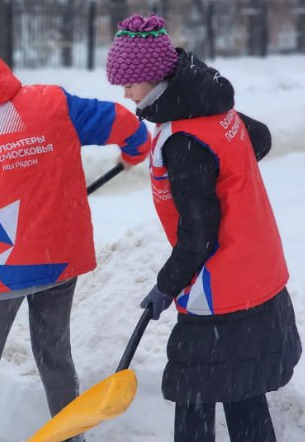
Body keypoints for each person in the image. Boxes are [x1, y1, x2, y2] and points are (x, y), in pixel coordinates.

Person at [0, 34, 151, 442]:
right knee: (54, 356)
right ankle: (72, 438)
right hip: (60, 257)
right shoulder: (52, 102)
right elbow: (126, 123)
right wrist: (136, 149)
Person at [106, 13, 301, 442]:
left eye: (129, 82)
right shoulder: (211, 108)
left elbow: (200, 235)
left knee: (194, 395)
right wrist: (229, 177)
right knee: (240, 388)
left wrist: (166, 285)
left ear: (154, 78)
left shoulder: (184, 140)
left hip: (222, 288)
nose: (124, 92)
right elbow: (261, 138)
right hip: (259, 272)